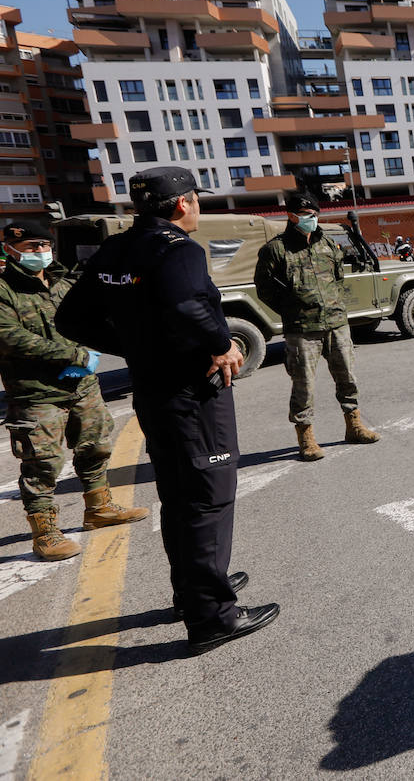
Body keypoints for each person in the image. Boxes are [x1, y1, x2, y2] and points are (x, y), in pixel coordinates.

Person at [56, 166, 278, 655]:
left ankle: (195, 591)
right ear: (183, 204)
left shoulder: (117, 248)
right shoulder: (178, 249)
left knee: (180, 495)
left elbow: (70, 317)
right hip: (191, 393)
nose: (198, 206)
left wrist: (137, 348)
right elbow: (184, 306)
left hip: (155, 392)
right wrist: (221, 343)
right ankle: (212, 617)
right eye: (197, 199)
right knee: (208, 498)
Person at [0, 218, 148, 560]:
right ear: (9, 250)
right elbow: (11, 338)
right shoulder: (4, 290)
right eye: (30, 248)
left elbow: (93, 318)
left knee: (95, 447)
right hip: (36, 393)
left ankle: (99, 509)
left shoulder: (63, 284)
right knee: (42, 464)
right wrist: (75, 353)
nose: (40, 252)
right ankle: (45, 534)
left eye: (44, 245)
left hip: (81, 384)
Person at [254, 190, 379, 462]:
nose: (312, 220)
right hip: (302, 330)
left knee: (347, 377)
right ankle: (306, 438)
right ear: (292, 216)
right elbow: (264, 289)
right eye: (307, 216)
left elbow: (337, 278)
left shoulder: (328, 245)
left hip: (336, 324)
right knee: (304, 386)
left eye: (315, 215)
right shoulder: (275, 249)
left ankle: (354, 426)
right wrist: (292, 310)